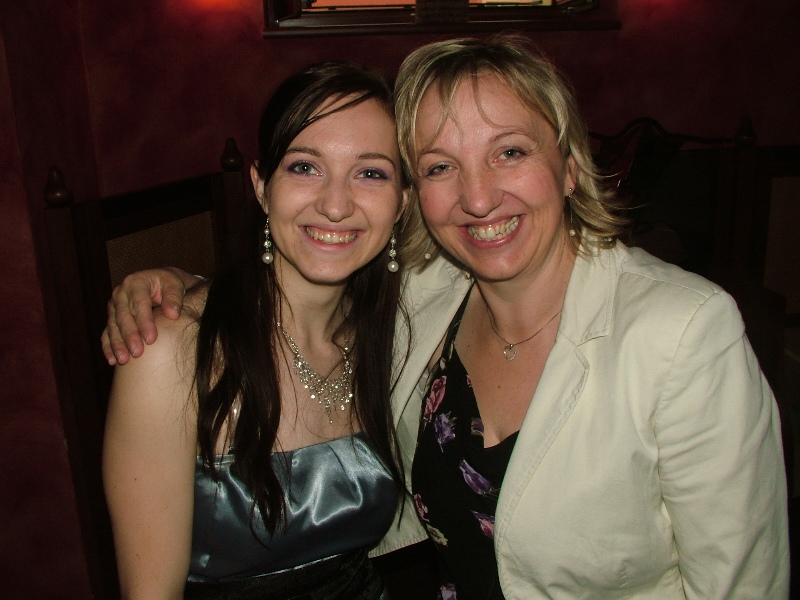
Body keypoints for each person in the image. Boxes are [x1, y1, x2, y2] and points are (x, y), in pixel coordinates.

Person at [102, 35, 789, 599]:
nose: (478, 198)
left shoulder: (683, 332)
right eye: (440, 166)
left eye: (510, 152)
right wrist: (174, 286)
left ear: (570, 164)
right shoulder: (425, 300)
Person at [102, 60, 418, 599]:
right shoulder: (171, 351)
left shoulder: (396, 333)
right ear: (261, 186)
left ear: (402, 202)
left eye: (370, 173)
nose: (335, 205)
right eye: (304, 167)